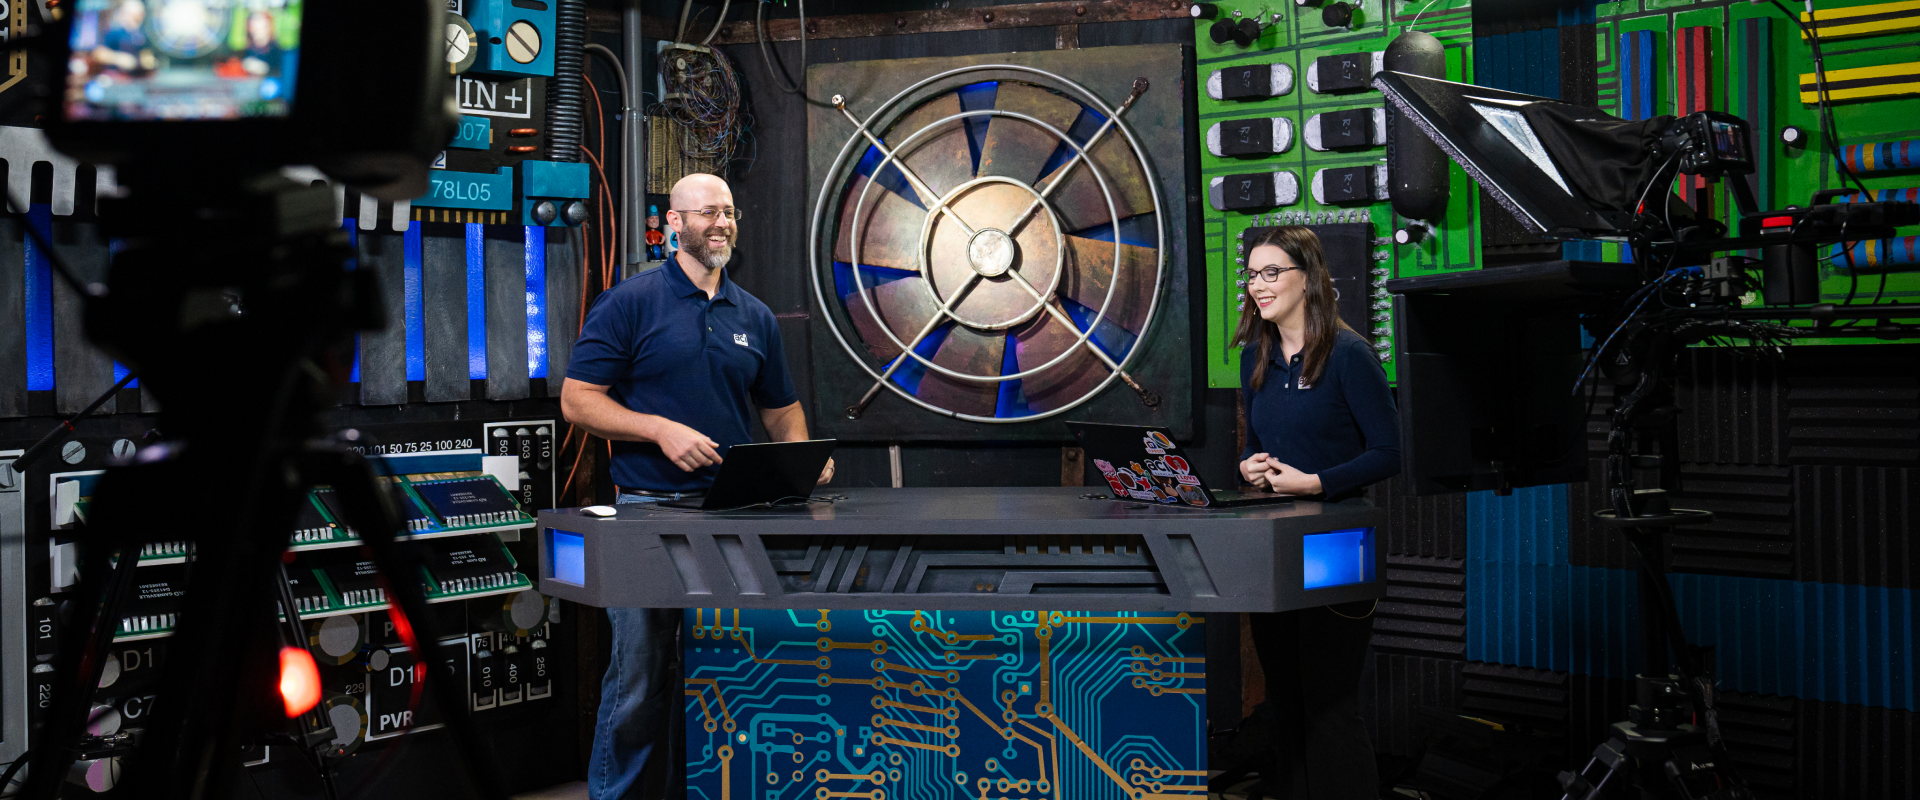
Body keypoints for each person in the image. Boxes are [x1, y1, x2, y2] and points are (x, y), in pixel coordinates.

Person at [562, 173, 834, 800]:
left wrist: (803, 457)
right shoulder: (630, 303)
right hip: (648, 515)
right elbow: (578, 402)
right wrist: (658, 429)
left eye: (730, 212)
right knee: (640, 677)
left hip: (735, 515)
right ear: (674, 223)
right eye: (708, 212)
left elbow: (781, 411)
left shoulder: (755, 315)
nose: (722, 223)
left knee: (731, 672)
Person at [1232, 225, 1399, 799]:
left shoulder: (1349, 355)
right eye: (1252, 274)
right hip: (1274, 550)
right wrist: (1248, 470)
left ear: (1310, 278)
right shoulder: (1258, 363)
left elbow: (1389, 452)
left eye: (1272, 272)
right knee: (1287, 702)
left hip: (1336, 549)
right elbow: (1255, 445)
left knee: (1329, 706)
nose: (1259, 285)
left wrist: (1318, 483)